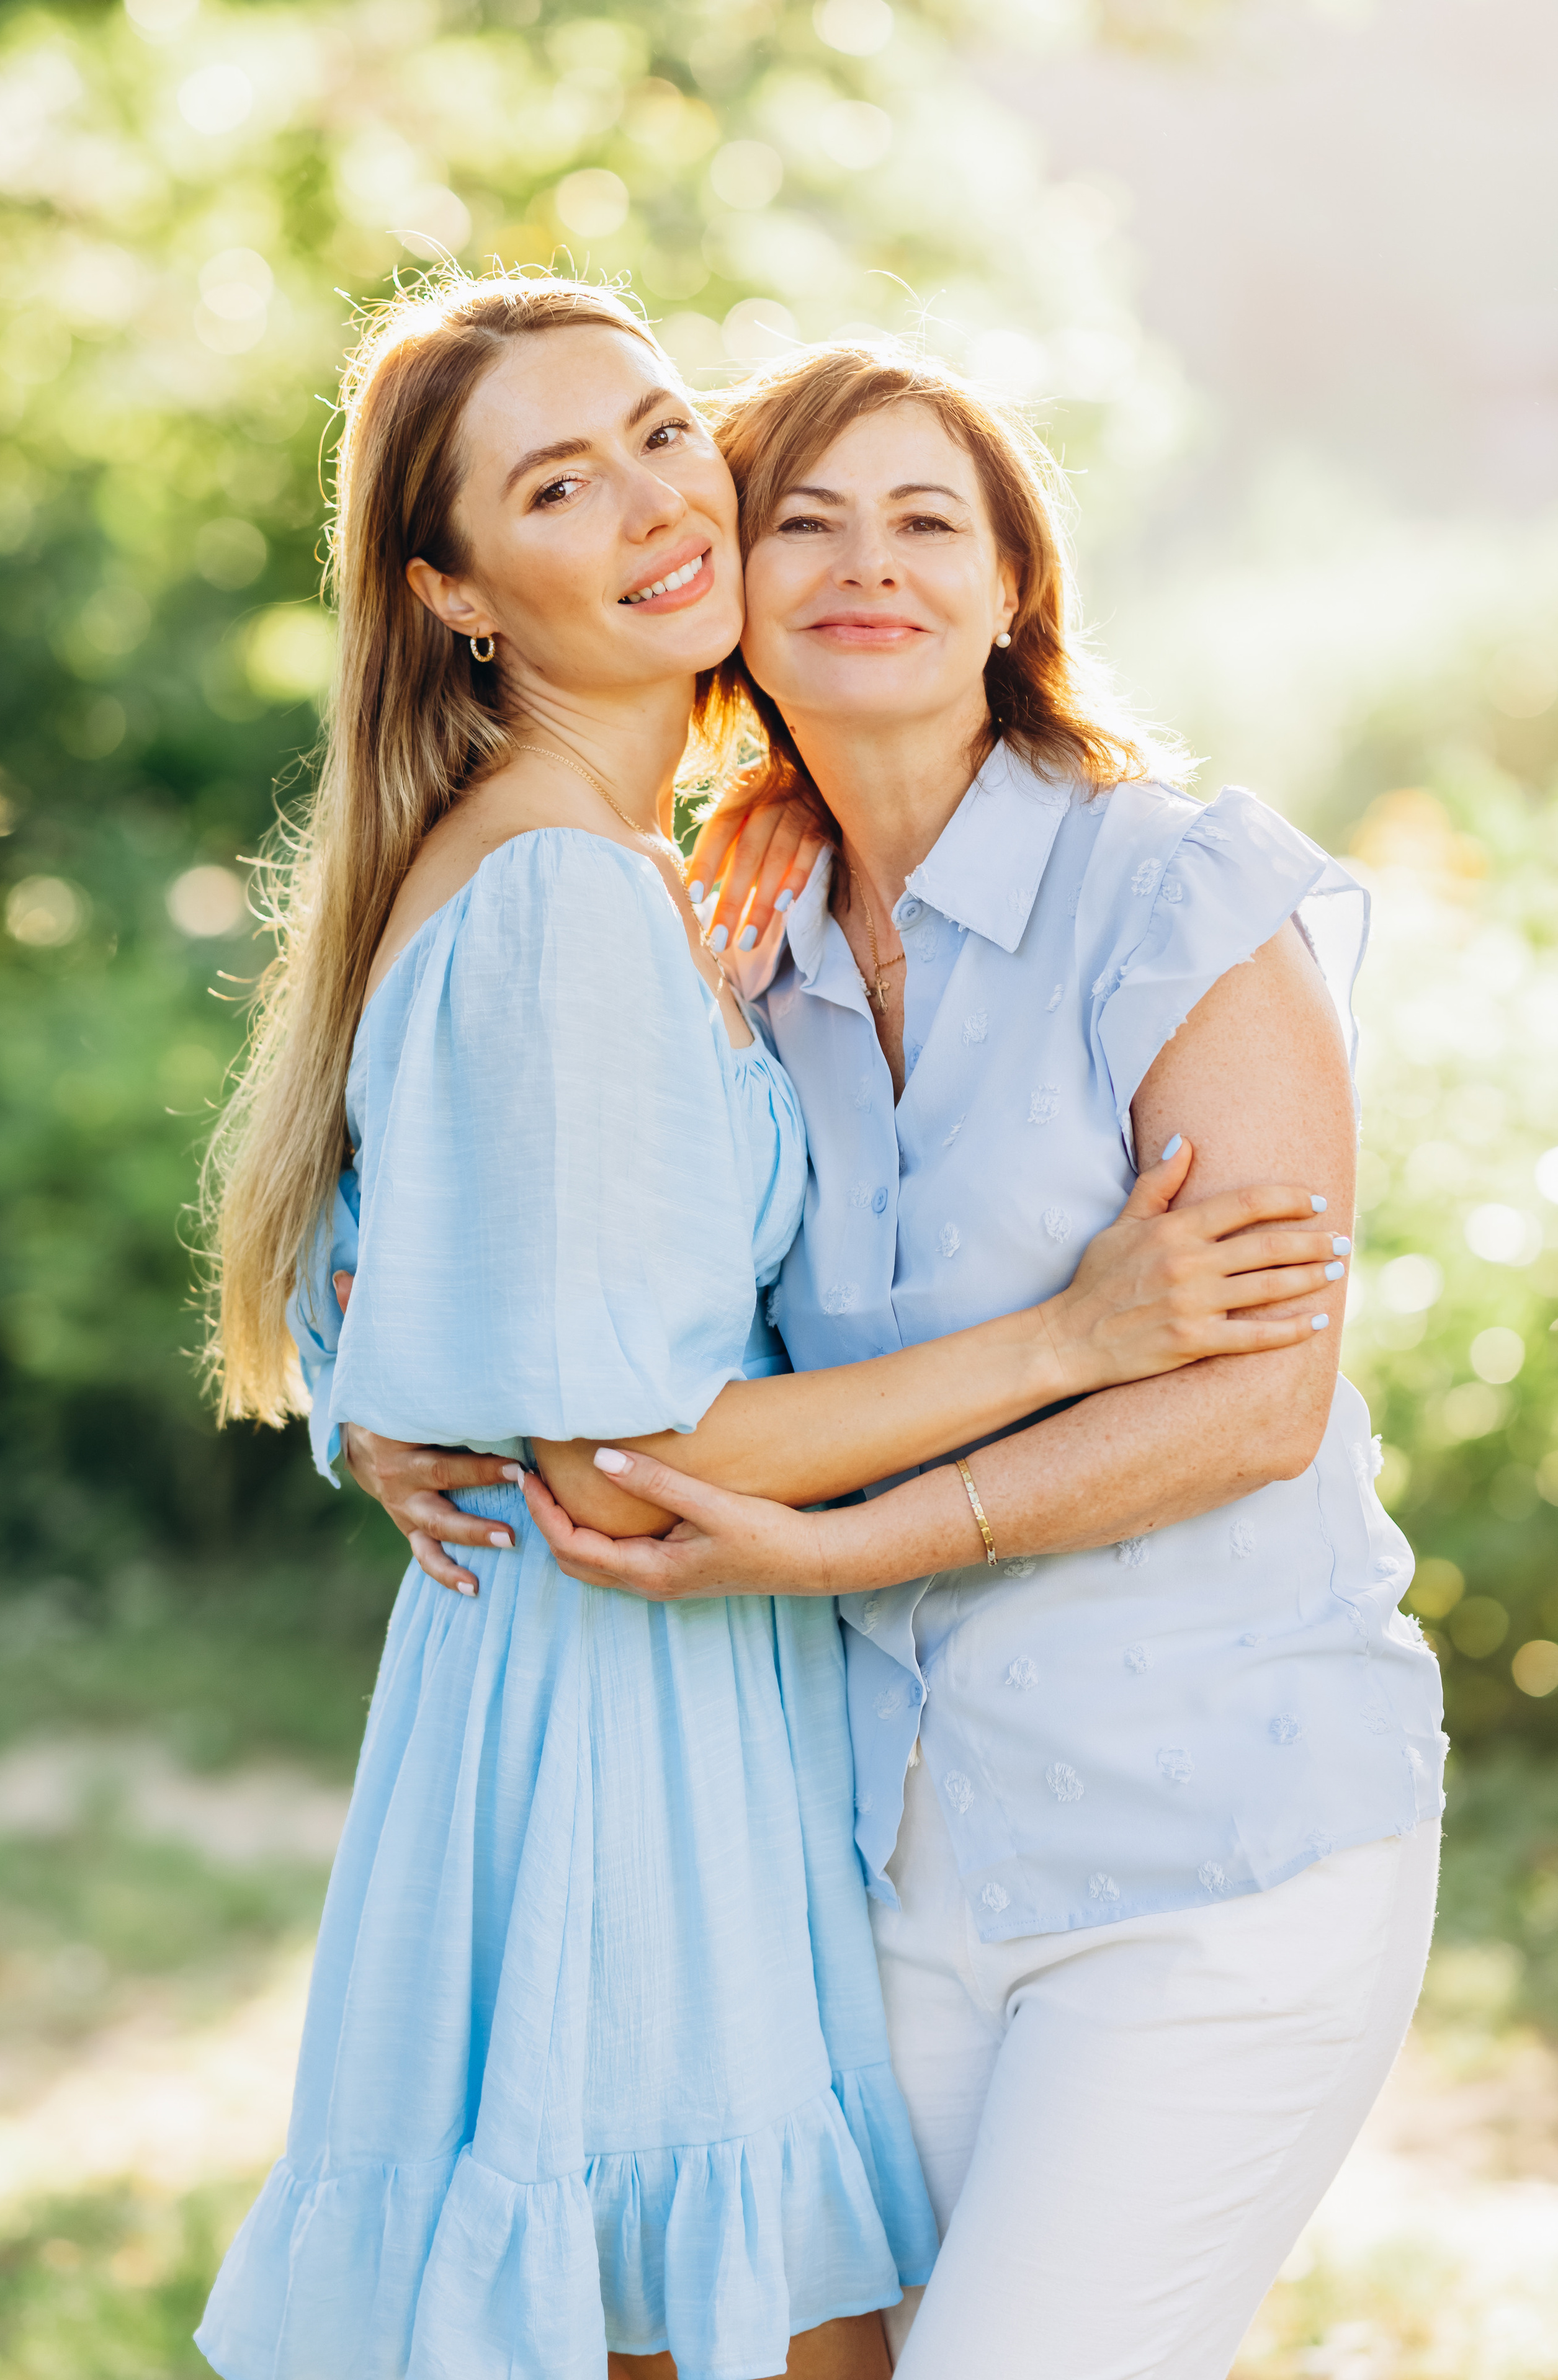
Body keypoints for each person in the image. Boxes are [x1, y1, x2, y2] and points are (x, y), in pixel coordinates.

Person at [194, 277, 1330, 2380]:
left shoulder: (639, 875)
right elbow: (632, 1449)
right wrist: (1075, 1335)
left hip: (651, 1693)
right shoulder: (563, 898)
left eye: (654, 433)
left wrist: (394, 1410)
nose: (650, 502)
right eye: (556, 482)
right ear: (455, 592)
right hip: (629, 1718)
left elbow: (443, 1304)